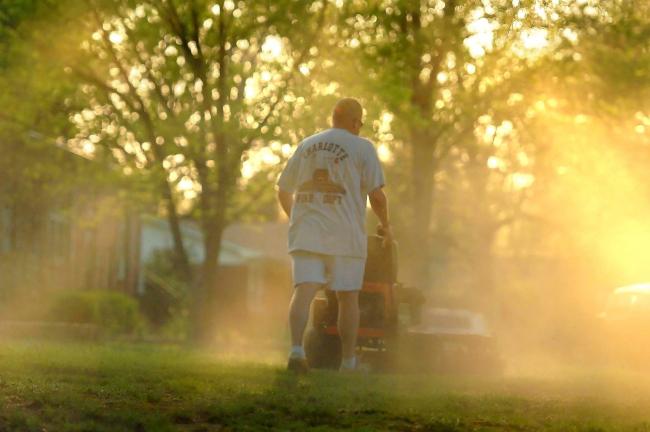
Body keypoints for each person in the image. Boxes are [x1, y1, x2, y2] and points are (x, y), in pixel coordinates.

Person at [276, 97, 391, 373]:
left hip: (307, 233)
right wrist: (386, 225)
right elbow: (376, 196)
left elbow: (283, 189)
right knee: (348, 297)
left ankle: (295, 352)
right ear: (354, 121)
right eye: (360, 123)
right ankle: (348, 363)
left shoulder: (306, 145)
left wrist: (299, 220)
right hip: (345, 235)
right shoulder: (362, 147)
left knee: (303, 291)